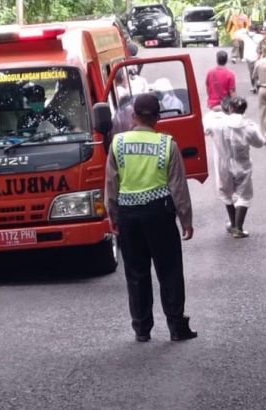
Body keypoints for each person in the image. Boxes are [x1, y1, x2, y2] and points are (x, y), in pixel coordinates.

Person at [105, 93, 198, 343]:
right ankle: (177, 326)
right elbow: (178, 187)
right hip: (159, 214)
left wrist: (111, 215)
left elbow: (111, 184)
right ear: (158, 118)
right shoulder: (167, 145)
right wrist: (186, 220)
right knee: (169, 271)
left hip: (128, 215)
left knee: (136, 274)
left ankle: (142, 328)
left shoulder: (118, 143)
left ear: (133, 116)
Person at [204, 96, 265, 238]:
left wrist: (216, 112)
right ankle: (238, 228)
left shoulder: (218, 124)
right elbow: (260, 143)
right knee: (244, 195)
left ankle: (232, 223)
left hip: (223, 164)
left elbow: (206, 127)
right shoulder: (249, 127)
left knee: (226, 193)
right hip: (242, 164)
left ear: (230, 108)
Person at [239, 24, 263, 93]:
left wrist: (245, 30)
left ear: (249, 29)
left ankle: (253, 86)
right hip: (258, 56)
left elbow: (236, 35)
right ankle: (258, 82)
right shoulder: (260, 36)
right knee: (258, 71)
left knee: (251, 72)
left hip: (249, 57)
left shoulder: (245, 36)